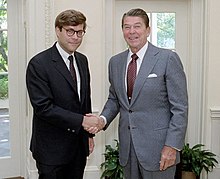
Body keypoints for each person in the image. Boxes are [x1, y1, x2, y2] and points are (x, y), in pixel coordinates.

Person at [87, 8, 188, 179]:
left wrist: (172, 146)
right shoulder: (115, 62)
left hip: (159, 150)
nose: (132, 32)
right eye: (127, 27)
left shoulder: (167, 58)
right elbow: (115, 99)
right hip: (128, 149)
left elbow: (180, 108)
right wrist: (101, 120)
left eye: (137, 26)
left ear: (148, 30)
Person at [26, 9, 103, 179]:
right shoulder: (39, 64)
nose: (75, 37)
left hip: (78, 147)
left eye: (80, 32)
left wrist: (88, 135)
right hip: (51, 150)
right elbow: (43, 108)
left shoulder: (82, 60)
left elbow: (84, 100)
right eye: (70, 31)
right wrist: (83, 121)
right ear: (58, 30)